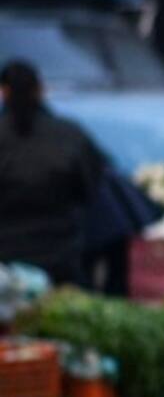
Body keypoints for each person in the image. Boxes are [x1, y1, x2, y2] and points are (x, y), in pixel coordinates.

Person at [0, 60, 106, 284]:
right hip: (60, 254)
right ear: (40, 90)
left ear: (4, 92)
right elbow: (90, 189)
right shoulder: (70, 134)